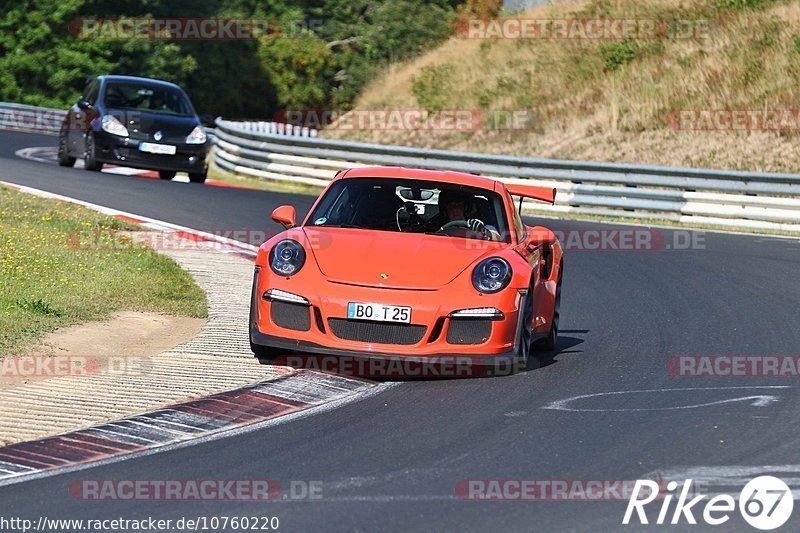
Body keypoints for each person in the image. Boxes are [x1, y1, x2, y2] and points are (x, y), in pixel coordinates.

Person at [435, 189, 500, 240]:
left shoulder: (480, 224)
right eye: (451, 207)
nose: (455, 210)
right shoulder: (436, 223)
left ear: (467, 208)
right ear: (445, 210)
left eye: (459, 206)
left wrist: (483, 231)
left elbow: (497, 237)